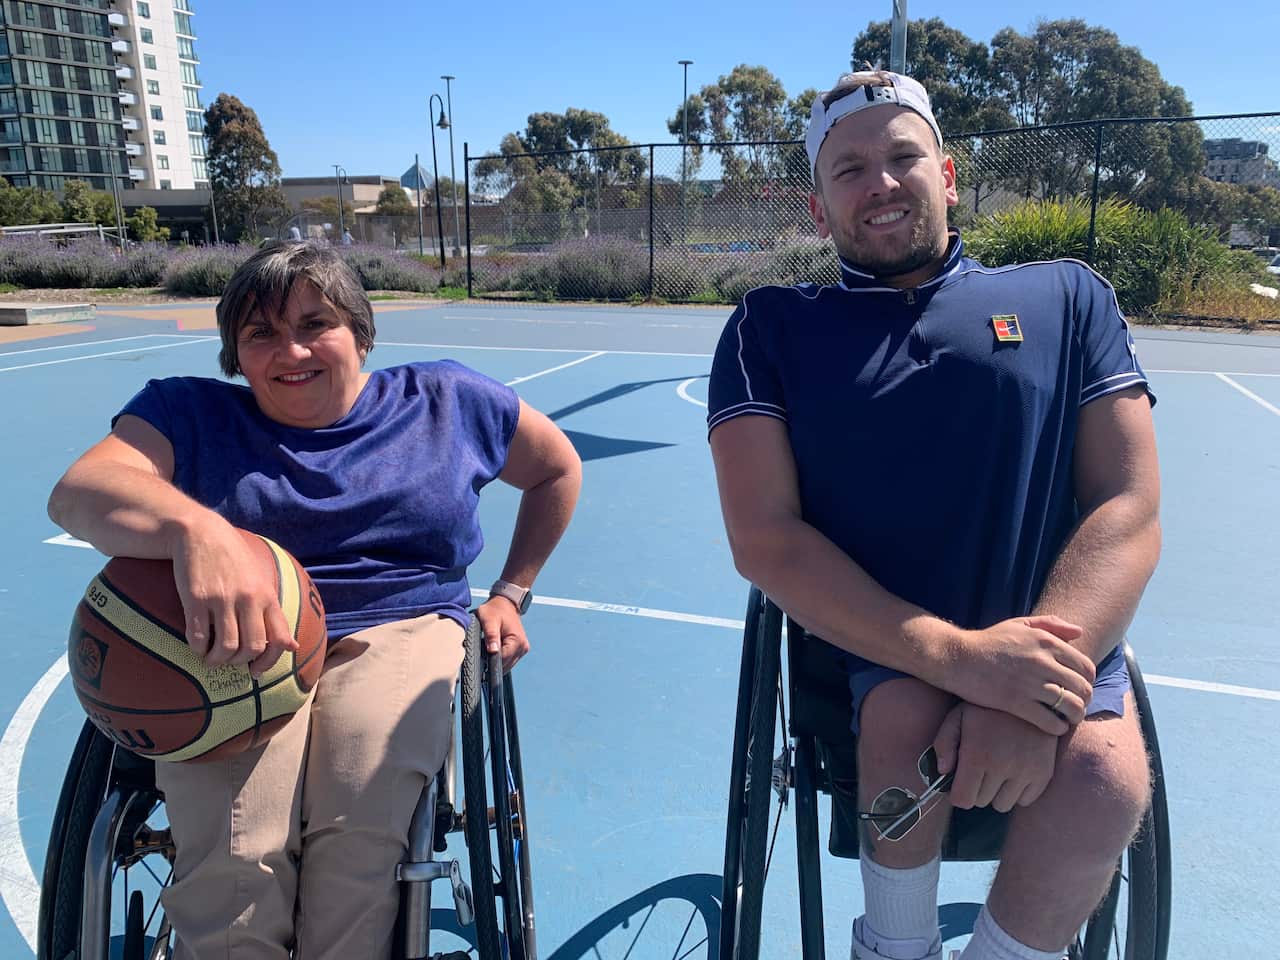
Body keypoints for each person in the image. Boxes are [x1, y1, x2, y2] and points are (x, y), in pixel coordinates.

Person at [707, 71, 1159, 960]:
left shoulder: (1070, 297)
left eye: (902, 157)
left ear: (947, 175)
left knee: (1105, 775)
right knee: (901, 720)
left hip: (1052, 641)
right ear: (816, 206)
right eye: (850, 169)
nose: (880, 182)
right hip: (882, 650)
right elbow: (765, 538)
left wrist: (1025, 690)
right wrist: (965, 661)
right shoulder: (769, 328)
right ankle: (894, 946)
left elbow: (1129, 504)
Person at [47, 241, 582, 960]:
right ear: (236, 355)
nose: (290, 349)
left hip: (402, 620)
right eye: (260, 332)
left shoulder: (446, 401)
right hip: (238, 645)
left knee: (360, 813)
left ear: (360, 333)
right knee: (238, 855)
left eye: (315, 323)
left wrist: (512, 592)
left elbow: (557, 469)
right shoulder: (185, 412)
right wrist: (195, 528)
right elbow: (77, 494)